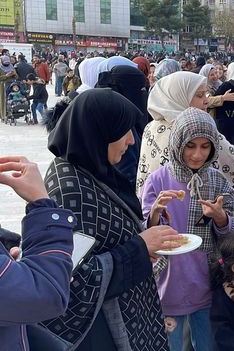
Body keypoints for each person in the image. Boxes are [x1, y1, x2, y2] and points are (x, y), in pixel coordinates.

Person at [44, 88, 182, 350]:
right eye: (124, 130)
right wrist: (140, 247)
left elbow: (110, 237)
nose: (131, 140)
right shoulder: (69, 189)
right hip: (100, 330)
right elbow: (73, 277)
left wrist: (149, 229)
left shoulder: (95, 170)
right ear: (100, 131)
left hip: (127, 310)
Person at [142, 107, 234, 351]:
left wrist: (220, 218)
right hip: (168, 283)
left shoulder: (218, 182)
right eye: (190, 145)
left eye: (205, 147)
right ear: (177, 144)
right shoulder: (158, 181)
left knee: (207, 344)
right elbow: (146, 234)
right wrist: (155, 213)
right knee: (170, 344)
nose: (197, 155)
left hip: (206, 284)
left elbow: (232, 236)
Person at [137, 71, 234, 217]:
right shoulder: (198, 130)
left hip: (155, 215)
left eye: (206, 95)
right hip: (186, 217)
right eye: (199, 95)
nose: (206, 101)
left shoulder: (152, 127)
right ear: (179, 96)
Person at [0, 155, 75, 350]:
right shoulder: (70, 181)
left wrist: (9, 267)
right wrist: (41, 202)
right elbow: (47, 291)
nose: (131, 140)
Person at [0, 55, 16, 122]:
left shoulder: (11, 66)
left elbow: (16, 76)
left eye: (8, 62)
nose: (6, 64)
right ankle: (3, 115)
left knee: (10, 100)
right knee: (3, 101)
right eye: (5, 62)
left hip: (10, 85)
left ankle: (10, 114)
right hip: (2, 86)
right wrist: (6, 76)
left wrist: (14, 74)